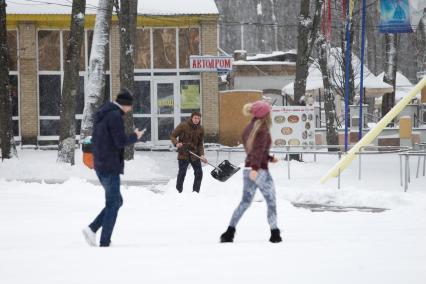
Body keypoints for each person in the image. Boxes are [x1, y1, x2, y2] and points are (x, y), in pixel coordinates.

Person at [82, 89, 143, 247]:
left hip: (101, 163)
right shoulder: (115, 116)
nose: (130, 109)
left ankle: (92, 228)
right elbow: (119, 141)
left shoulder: (104, 112)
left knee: (116, 201)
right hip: (109, 165)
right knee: (113, 203)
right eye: (130, 106)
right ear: (125, 104)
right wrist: (134, 136)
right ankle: (104, 241)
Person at [220, 101, 282, 243]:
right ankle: (275, 233)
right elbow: (257, 150)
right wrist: (256, 168)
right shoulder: (263, 129)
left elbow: (254, 151)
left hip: (248, 169)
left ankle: (229, 232)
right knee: (271, 201)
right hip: (258, 170)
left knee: (245, 202)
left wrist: (268, 158)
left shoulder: (249, 128)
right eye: (269, 112)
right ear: (265, 115)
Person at [170, 111, 207, 193]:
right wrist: (176, 143)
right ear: (192, 118)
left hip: (195, 154)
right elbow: (173, 135)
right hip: (184, 153)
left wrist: (202, 155)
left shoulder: (201, 129)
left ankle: (195, 192)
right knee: (182, 173)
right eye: (195, 118)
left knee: (199, 173)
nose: (197, 120)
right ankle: (178, 191)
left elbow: (200, 143)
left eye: (198, 118)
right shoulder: (183, 125)